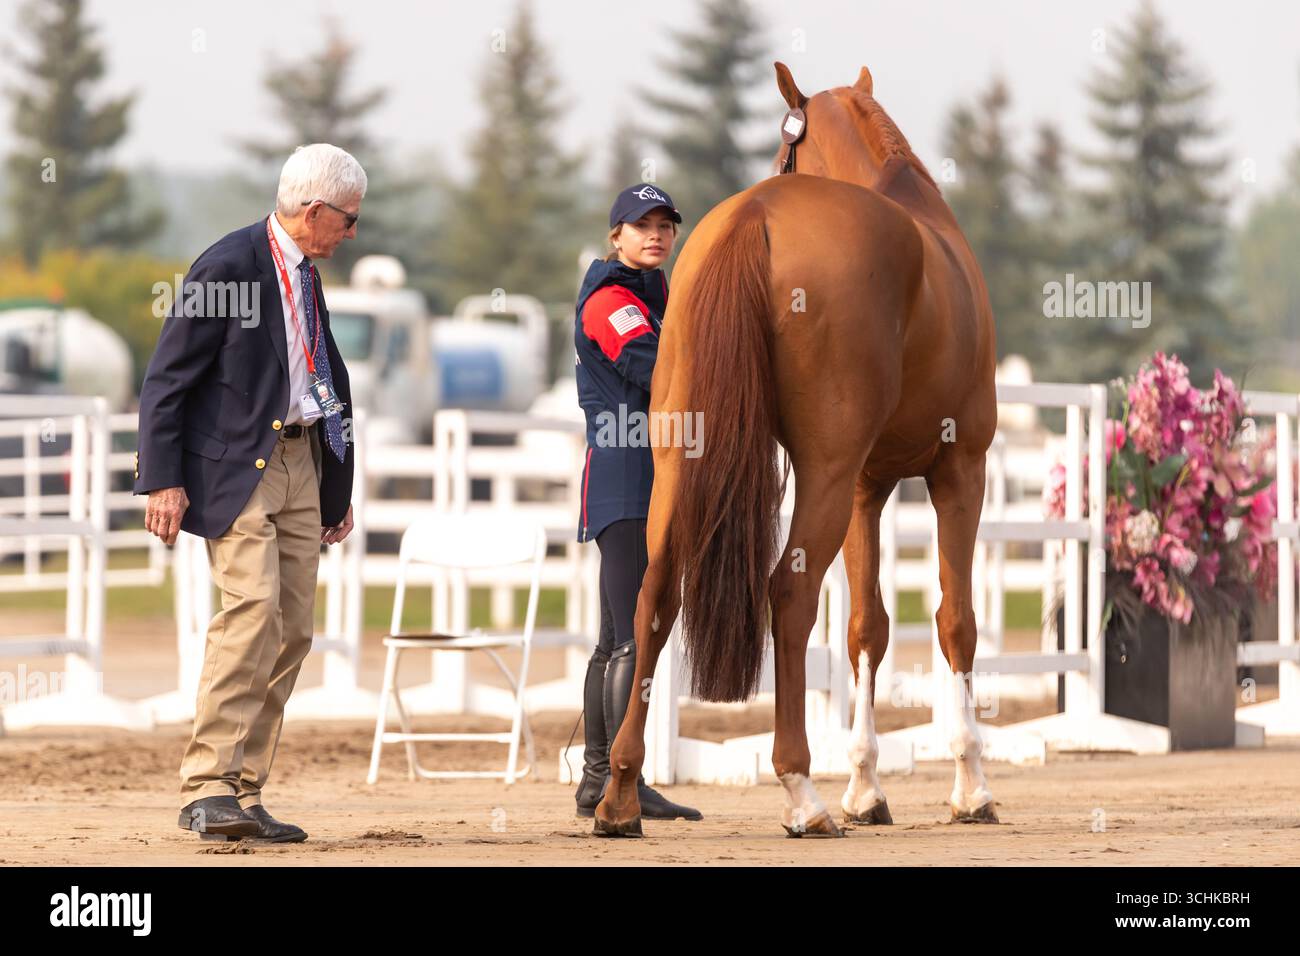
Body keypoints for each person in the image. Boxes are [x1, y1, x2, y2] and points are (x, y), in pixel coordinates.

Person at [134, 143, 362, 843]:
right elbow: (166, 378)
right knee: (253, 610)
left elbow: (323, 379)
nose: (353, 233)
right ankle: (207, 786)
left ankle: (244, 789)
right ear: (314, 211)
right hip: (238, 470)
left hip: (302, 465)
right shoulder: (227, 265)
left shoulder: (309, 276)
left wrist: (336, 483)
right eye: (349, 220)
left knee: (293, 627)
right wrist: (163, 478)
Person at [571, 183, 701, 822]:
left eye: (665, 226)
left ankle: (600, 780)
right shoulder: (612, 300)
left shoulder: (656, 296)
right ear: (615, 236)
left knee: (614, 638)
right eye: (640, 225)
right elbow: (654, 369)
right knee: (631, 638)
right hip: (626, 473)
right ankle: (619, 777)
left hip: (644, 470)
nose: (655, 235)